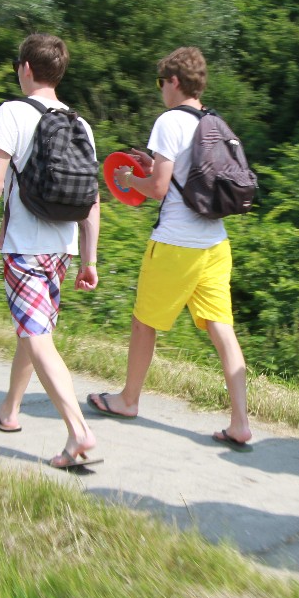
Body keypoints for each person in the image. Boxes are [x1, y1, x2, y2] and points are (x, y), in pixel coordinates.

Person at [87, 47, 252, 451]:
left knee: (144, 322)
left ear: (174, 81)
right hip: (215, 244)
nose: (161, 89)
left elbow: (158, 189)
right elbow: (183, 174)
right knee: (222, 328)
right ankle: (240, 423)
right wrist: (152, 165)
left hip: (176, 244)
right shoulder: (214, 121)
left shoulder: (169, 120)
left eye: (161, 82)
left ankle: (128, 400)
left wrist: (130, 178)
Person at [0, 33, 100, 470]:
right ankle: (9, 410)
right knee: (32, 328)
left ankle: (78, 431)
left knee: (38, 337)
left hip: (24, 248)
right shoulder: (80, 124)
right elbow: (92, 199)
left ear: (25, 68)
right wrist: (90, 259)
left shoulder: (12, 112)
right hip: (62, 249)